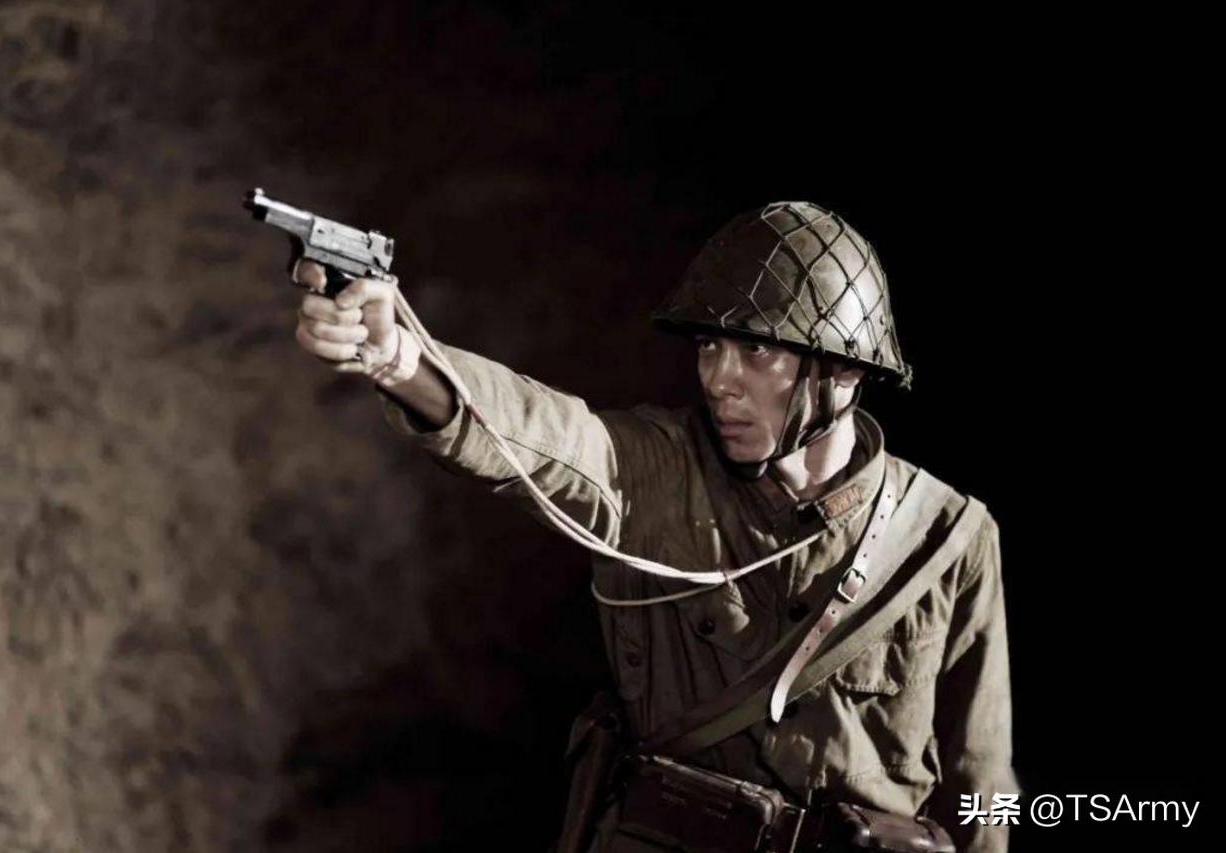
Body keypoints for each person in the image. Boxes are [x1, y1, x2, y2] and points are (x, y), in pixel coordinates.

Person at [290, 201, 1018, 852]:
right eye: (708, 345)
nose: (719, 378)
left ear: (844, 371)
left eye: (756, 349)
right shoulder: (654, 471)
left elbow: (981, 782)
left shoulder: (948, 537)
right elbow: (543, 435)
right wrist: (401, 360)